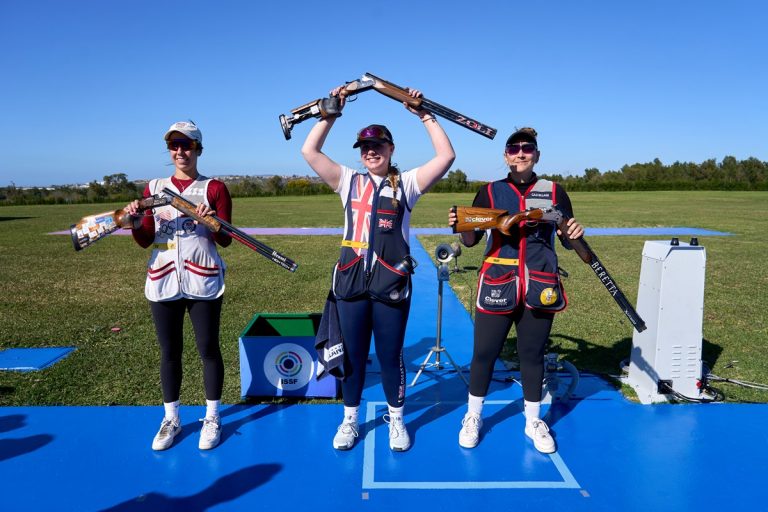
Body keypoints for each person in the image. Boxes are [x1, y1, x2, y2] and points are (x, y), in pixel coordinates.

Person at [302, 86, 455, 451]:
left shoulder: (407, 184)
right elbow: (309, 151)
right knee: (352, 356)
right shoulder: (346, 181)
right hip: (351, 283)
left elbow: (447, 155)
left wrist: (424, 113)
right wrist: (329, 114)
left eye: (379, 146)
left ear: (391, 150)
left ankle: (396, 420)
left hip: (391, 285)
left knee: (390, 355)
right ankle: (350, 419)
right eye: (365, 148)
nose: (371, 152)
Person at [448, 127, 583, 453]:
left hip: (539, 284)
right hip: (497, 282)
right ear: (505, 155)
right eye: (514, 148)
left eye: (527, 148)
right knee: (483, 354)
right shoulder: (489, 192)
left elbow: (568, 238)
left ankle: (533, 420)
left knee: (532, 356)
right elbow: (470, 240)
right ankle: (473, 416)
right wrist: (459, 224)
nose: (520, 153)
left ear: (536, 154)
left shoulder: (554, 191)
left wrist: (574, 231)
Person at [125, 120, 232, 451]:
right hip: (163, 278)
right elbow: (145, 239)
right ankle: (171, 418)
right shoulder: (153, 188)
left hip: (203, 279)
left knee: (208, 349)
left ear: (198, 148)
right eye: (174, 146)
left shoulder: (214, 188)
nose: (180, 151)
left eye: (186, 145)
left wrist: (210, 220)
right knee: (169, 352)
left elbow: (225, 238)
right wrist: (134, 222)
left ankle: (212, 416)